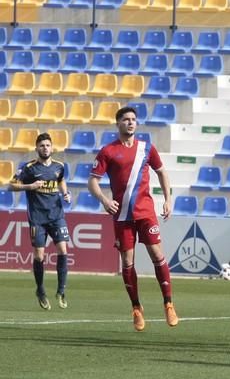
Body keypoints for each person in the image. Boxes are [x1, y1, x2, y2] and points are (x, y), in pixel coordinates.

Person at [88, 106, 178, 332]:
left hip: (146, 212)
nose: (130, 123)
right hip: (122, 215)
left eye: (133, 120)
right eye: (126, 119)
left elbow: (162, 172)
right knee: (127, 262)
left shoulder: (147, 148)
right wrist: (104, 200)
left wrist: (168, 200)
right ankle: (136, 307)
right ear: (117, 123)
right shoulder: (108, 151)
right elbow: (93, 181)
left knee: (158, 254)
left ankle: (168, 303)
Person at [9, 132, 71, 310]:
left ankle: (61, 291)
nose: (45, 148)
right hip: (37, 218)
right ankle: (41, 290)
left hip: (57, 216)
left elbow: (61, 180)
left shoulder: (59, 166)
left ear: (52, 148)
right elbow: (11, 185)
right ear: (36, 148)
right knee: (39, 255)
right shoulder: (28, 168)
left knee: (63, 249)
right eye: (42, 145)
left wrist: (65, 193)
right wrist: (30, 186)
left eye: (48, 145)